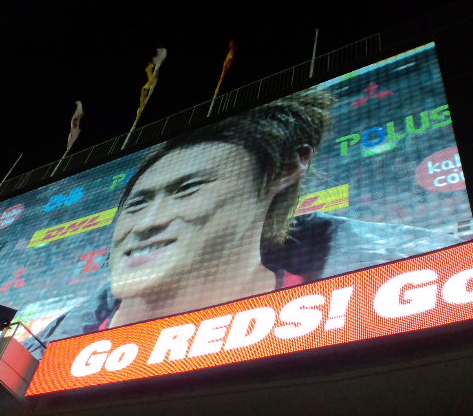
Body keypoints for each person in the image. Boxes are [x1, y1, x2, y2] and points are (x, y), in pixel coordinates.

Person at [24, 89, 461, 355]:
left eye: (187, 189)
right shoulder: (40, 354)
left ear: (283, 172)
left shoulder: (412, 284)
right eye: (137, 204)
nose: (146, 223)